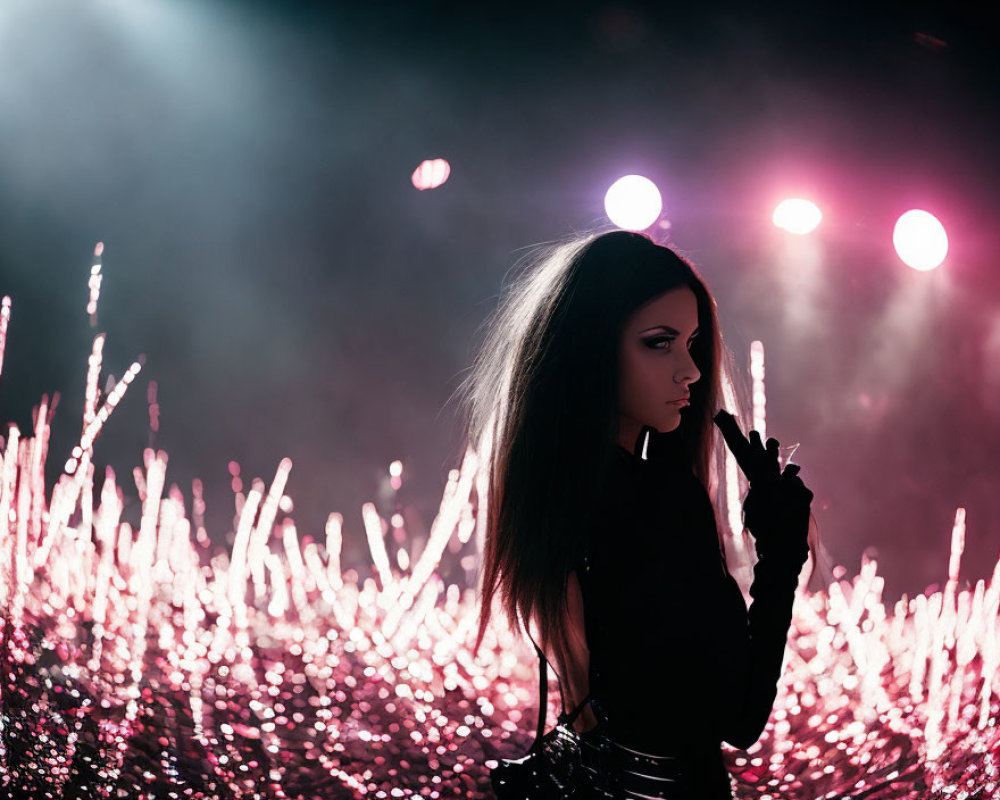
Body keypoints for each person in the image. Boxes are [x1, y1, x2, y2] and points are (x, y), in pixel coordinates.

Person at [457, 230, 820, 798]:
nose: (692, 371)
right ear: (589, 349)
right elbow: (740, 718)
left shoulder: (548, 498)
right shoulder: (660, 501)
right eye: (659, 342)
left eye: (692, 343)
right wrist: (781, 558)